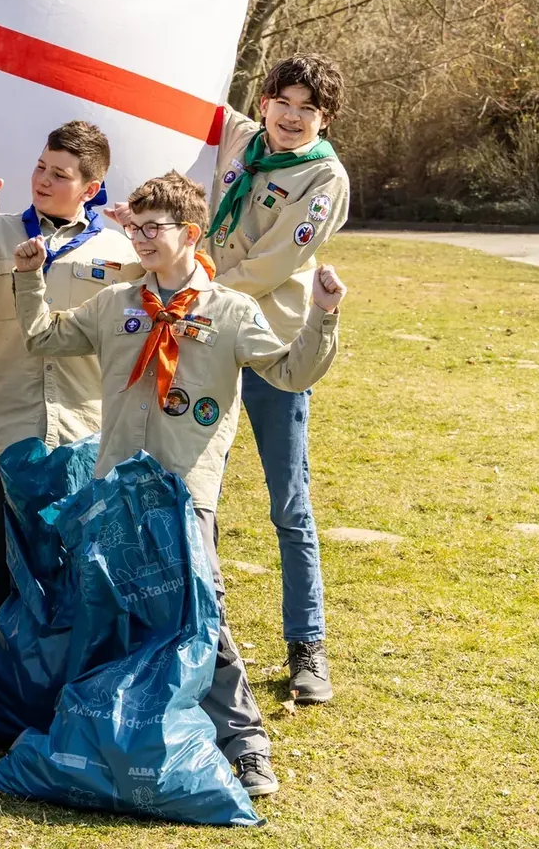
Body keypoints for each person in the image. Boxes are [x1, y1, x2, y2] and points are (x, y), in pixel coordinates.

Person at [12, 171, 346, 800]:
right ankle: (100, 735)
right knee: (108, 612)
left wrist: (323, 317)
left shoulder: (230, 312)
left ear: (191, 234)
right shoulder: (116, 305)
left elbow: (291, 369)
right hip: (117, 491)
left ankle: (245, 746)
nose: (138, 237)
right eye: (133, 226)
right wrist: (28, 278)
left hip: (184, 494)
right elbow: (43, 337)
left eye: (152, 227)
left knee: (203, 616)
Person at [0, 121, 141, 721]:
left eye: (61, 174)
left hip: (82, 432)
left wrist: (146, 236)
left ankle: (64, 688)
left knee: (73, 569)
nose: (44, 181)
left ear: (92, 186)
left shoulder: (120, 249)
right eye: (41, 168)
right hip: (4, 425)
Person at [204, 54, 349, 704]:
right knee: (194, 489)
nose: (292, 117)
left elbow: (272, 261)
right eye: (282, 102)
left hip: (269, 344)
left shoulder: (323, 177)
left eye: (307, 108)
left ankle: (308, 648)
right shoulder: (240, 137)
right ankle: (202, 629)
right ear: (263, 101)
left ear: (325, 119)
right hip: (206, 339)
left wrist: (194, 292)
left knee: (287, 502)